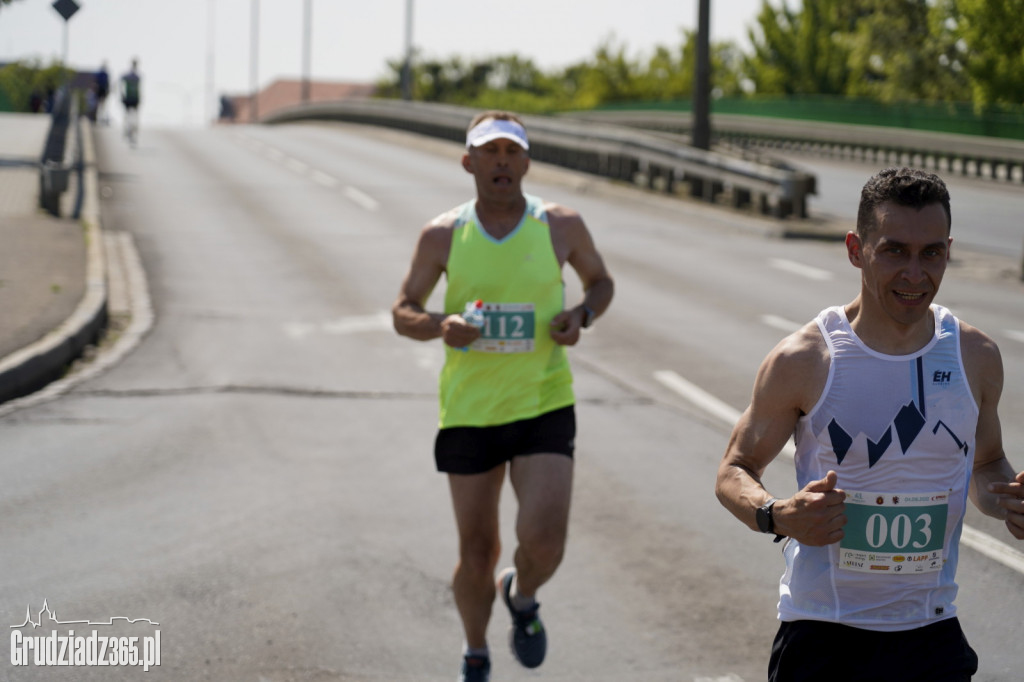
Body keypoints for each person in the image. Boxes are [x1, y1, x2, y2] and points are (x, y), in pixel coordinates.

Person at [715, 167, 1024, 682]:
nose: (914, 273)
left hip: (932, 634)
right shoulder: (806, 359)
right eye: (894, 251)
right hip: (823, 634)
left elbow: (986, 464)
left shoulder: (975, 356)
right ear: (856, 249)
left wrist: (1009, 499)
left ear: (948, 250)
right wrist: (777, 514)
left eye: (931, 253)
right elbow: (734, 469)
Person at [392, 110, 614, 682]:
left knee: (544, 540)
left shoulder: (560, 225)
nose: (502, 162)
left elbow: (601, 281)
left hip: (543, 401)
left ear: (526, 163)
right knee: (477, 549)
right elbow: (403, 310)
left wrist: (582, 313)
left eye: (512, 152)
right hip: (469, 410)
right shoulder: (443, 234)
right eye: (489, 152)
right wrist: (440, 323)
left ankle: (522, 593)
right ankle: (476, 650)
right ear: (468, 162)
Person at [120, 58, 141, 145]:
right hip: (130, 98)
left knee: (131, 115)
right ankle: (128, 129)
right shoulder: (135, 76)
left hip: (133, 98)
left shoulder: (135, 76)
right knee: (130, 115)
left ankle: (131, 130)